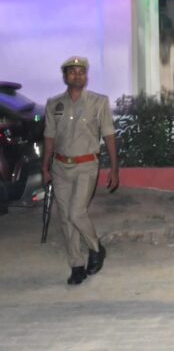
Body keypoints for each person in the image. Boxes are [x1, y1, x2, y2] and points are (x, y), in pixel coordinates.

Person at [42, 56, 119, 285]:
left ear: (86, 76)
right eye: (73, 72)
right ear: (65, 76)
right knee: (66, 218)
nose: (78, 75)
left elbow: (109, 136)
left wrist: (115, 168)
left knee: (76, 212)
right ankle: (76, 265)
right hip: (60, 167)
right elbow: (49, 137)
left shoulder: (99, 102)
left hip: (86, 166)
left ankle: (96, 248)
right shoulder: (54, 104)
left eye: (81, 72)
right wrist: (44, 167)